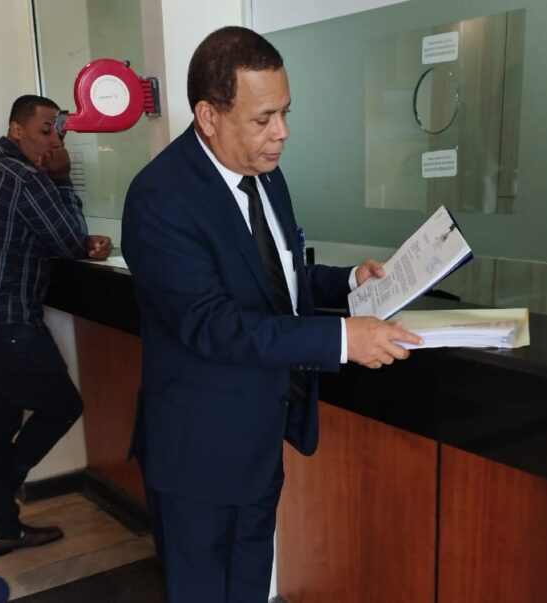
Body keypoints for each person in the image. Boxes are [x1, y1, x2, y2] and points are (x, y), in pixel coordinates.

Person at [122, 26, 422, 601]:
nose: (281, 133)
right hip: (198, 456)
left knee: (250, 588)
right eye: (263, 119)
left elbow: (274, 278)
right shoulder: (160, 197)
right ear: (208, 117)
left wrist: (348, 281)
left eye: (285, 113)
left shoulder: (265, 175)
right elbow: (213, 324)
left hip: (260, 441)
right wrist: (341, 340)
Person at [0, 95, 113, 559]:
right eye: (45, 130)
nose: (53, 141)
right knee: (61, 406)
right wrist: (61, 179)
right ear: (17, 130)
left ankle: (1, 529)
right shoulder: (26, 177)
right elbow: (69, 240)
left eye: (58, 132)